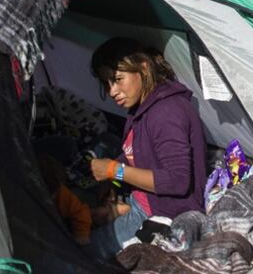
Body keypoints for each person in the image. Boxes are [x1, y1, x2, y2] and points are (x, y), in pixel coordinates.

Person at [87, 38, 207, 262]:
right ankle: (121, 211)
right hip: (143, 202)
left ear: (143, 67)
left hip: (165, 215)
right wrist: (112, 181)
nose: (112, 91)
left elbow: (177, 181)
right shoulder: (140, 108)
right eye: (106, 83)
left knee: (83, 255)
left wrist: (115, 170)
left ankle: (124, 216)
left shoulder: (166, 112)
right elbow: (134, 153)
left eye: (117, 80)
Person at [37, 155, 93, 246]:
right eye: (52, 194)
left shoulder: (59, 191)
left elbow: (80, 212)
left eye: (54, 193)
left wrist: (81, 234)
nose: (54, 196)